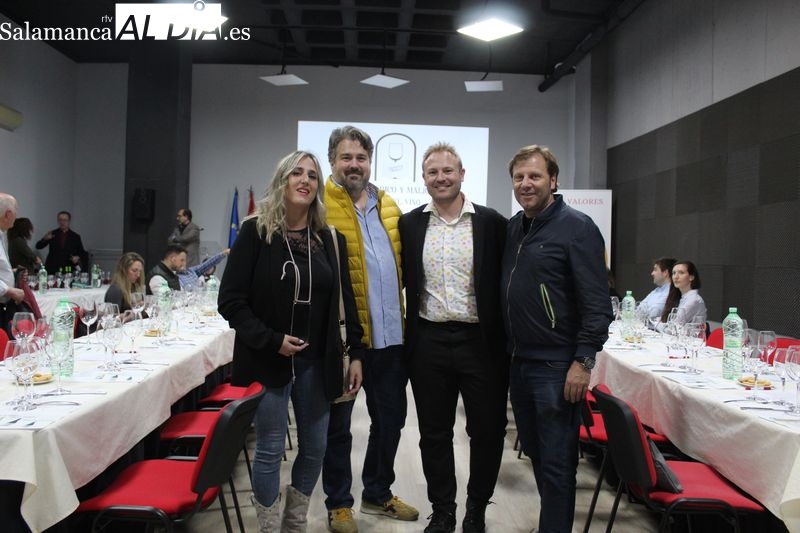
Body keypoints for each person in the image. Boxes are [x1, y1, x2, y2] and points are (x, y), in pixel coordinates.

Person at [217, 150, 365, 532]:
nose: (304, 180)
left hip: (320, 361)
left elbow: (346, 303)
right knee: (268, 449)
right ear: (282, 181)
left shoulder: (331, 238)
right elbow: (230, 301)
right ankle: (269, 528)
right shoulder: (255, 232)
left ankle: (294, 524)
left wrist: (357, 355)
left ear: (318, 186)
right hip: (268, 360)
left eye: (312, 176)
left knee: (315, 448)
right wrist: (270, 340)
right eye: (296, 173)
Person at [501, 145, 612, 533]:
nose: (526, 184)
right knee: (534, 452)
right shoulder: (514, 227)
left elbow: (598, 304)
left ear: (554, 180)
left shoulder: (577, 227)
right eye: (519, 177)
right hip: (519, 362)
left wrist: (583, 362)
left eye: (534, 176)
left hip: (557, 366)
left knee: (558, 461)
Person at [399, 142, 508, 533]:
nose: (441, 178)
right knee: (434, 433)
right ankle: (443, 509)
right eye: (433, 172)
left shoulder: (492, 222)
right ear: (424, 178)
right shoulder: (410, 224)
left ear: (462, 174)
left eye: (448, 171)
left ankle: (476, 509)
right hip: (428, 341)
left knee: (487, 431)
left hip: (481, 343)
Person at [322, 126, 417, 532]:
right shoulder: (320, 206)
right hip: (344, 342)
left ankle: (377, 493)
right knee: (338, 428)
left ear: (370, 162)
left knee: (391, 421)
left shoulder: (389, 206)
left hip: (392, 341)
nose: (354, 165)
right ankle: (338, 503)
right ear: (332, 161)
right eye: (346, 157)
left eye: (361, 158)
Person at [0, 193, 25, 338]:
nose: (15, 218)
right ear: (8, 214)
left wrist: (13, 272)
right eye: (15, 213)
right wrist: (8, 290)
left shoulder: (3, 234)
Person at [659, 260, 706, 325]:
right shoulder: (679, 297)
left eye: (681, 273)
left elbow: (675, 326)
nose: (676, 277)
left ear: (691, 277)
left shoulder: (694, 300)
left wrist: (655, 324)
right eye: (674, 273)